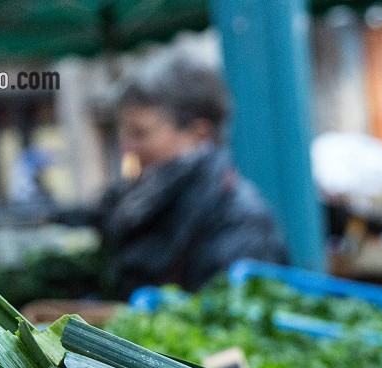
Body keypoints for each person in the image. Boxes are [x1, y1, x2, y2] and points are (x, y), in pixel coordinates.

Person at [98, 52, 288, 299]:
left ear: (200, 134)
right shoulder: (145, 198)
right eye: (124, 133)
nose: (126, 147)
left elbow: (227, 315)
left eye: (140, 133)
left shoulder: (240, 221)